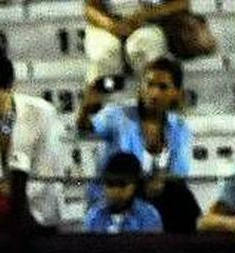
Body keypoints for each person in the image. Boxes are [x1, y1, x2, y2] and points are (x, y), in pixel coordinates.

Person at [77, 55, 197, 234]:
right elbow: (86, 129)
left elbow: (180, 172)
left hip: (159, 198)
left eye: (162, 87)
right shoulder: (117, 116)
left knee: (181, 196)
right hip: (119, 197)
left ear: (176, 93)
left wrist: (160, 180)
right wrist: (86, 108)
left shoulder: (180, 127)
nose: (154, 93)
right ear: (141, 87)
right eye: (149, 84)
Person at [0, 48, 66, 232]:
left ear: (10, 86)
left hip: (38, 212)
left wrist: (15, 191)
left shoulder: (42, 113)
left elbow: (48, 169)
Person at [83, 0, 186, 86]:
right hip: (107, 23)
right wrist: (112, 25)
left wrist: (148, 13)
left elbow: (182, 3)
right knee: (103, 54)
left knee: (148, 48)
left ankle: (158, 102)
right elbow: (90, 9)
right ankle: (99, 105)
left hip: (149, 21)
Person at [83, 150, 162, 232]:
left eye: (122, 184)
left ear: (136, 185)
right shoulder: (95, 216)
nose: (116, 191)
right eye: (110, 184)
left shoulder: (148, 216)